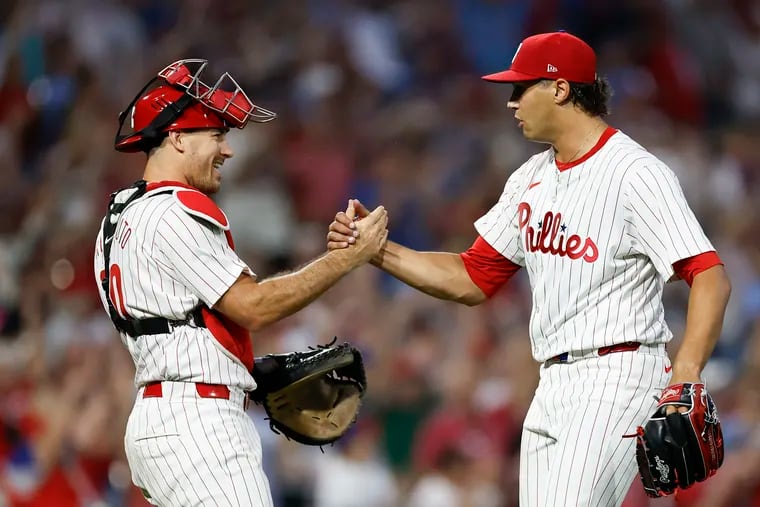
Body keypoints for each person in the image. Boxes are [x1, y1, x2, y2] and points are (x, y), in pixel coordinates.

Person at [327, 32, 731, 506]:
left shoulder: (635, 173)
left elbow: (709, 276)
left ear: (560, 89)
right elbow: (472, 277)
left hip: (618, 374)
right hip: (552, 380)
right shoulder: (530, 178)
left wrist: (685, 374)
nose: (511, 101)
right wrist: (375, 250)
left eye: (522, 88)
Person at [93, 59, 388, 507]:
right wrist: (345, 259)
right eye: (216, 135)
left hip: (160, 418)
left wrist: (244, 369)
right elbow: (254, 306)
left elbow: (176, 324)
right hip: (199, 424)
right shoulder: (176, 209)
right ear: (176, 138)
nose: (226, 149)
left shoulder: (119, 219)